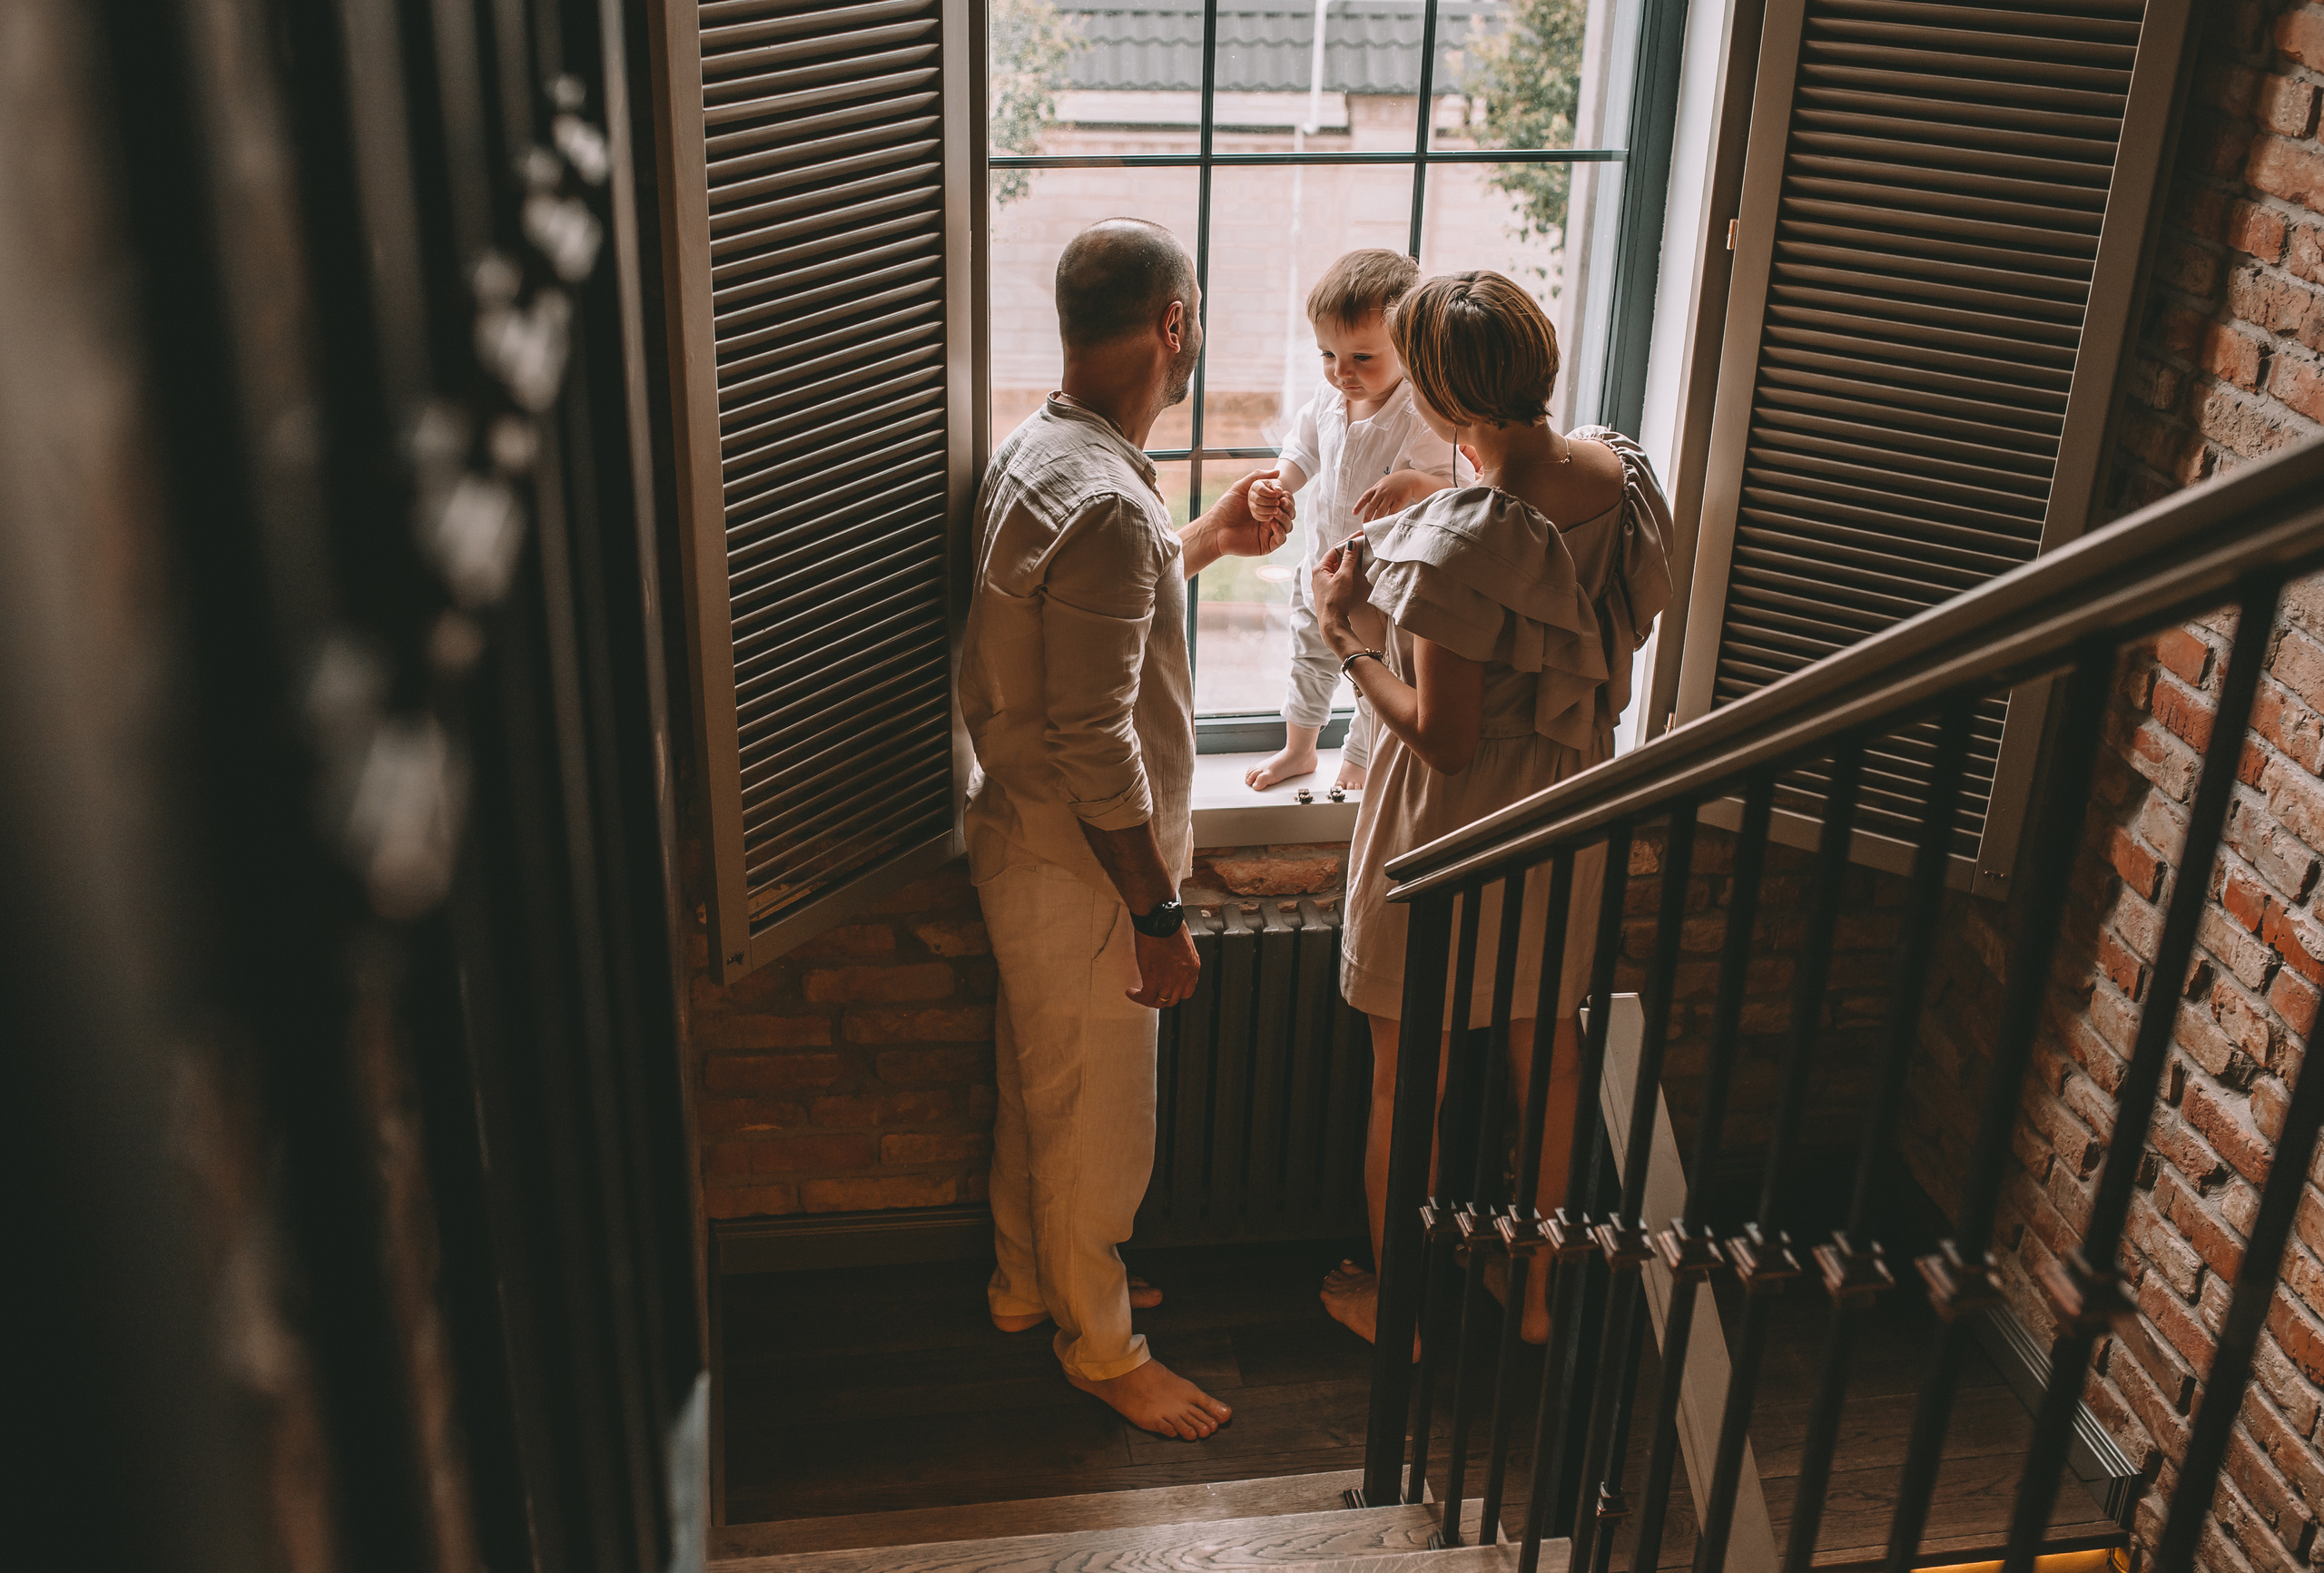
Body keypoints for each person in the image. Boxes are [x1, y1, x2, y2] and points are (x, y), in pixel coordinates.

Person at [960, 219, 1290, 1437]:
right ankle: (1100, 1343)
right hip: (1084, 870)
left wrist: (1207, 540)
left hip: (1022, 841)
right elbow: (1096, 737)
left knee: (1039, 1082)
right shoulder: (1101, 497)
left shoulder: (1044, 452)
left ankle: (1025, 1285)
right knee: (1100, 1122)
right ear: (1172, 326)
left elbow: (1088, 625)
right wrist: (1158, 914)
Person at [1309, 270, 1673, 1344]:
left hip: (1451, 823)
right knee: (1549, 1055)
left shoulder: (1457, 545)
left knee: (1403, 1082)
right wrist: (1443, 488)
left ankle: (1401, 1305)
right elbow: (1539, 533)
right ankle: (1539, 1295)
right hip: (1564, 805)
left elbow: (1444, 733)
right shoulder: (1622, 470)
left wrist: (1345, 634)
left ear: (1434, 392)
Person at [1242, 250, 1471, 794]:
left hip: (1380, 582)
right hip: (1321, 565)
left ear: (1408, 348)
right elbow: (1302, 452)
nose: (1342, 373)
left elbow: (1459, 491)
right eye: (1328, 354)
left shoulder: (1422, 412)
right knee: (1309, 656)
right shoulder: (1329, 397)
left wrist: (1415, 484)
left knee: (1371, 675)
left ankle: (1361, 758)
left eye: (1362, 358)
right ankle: (1299, 749)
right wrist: (1279, 485)